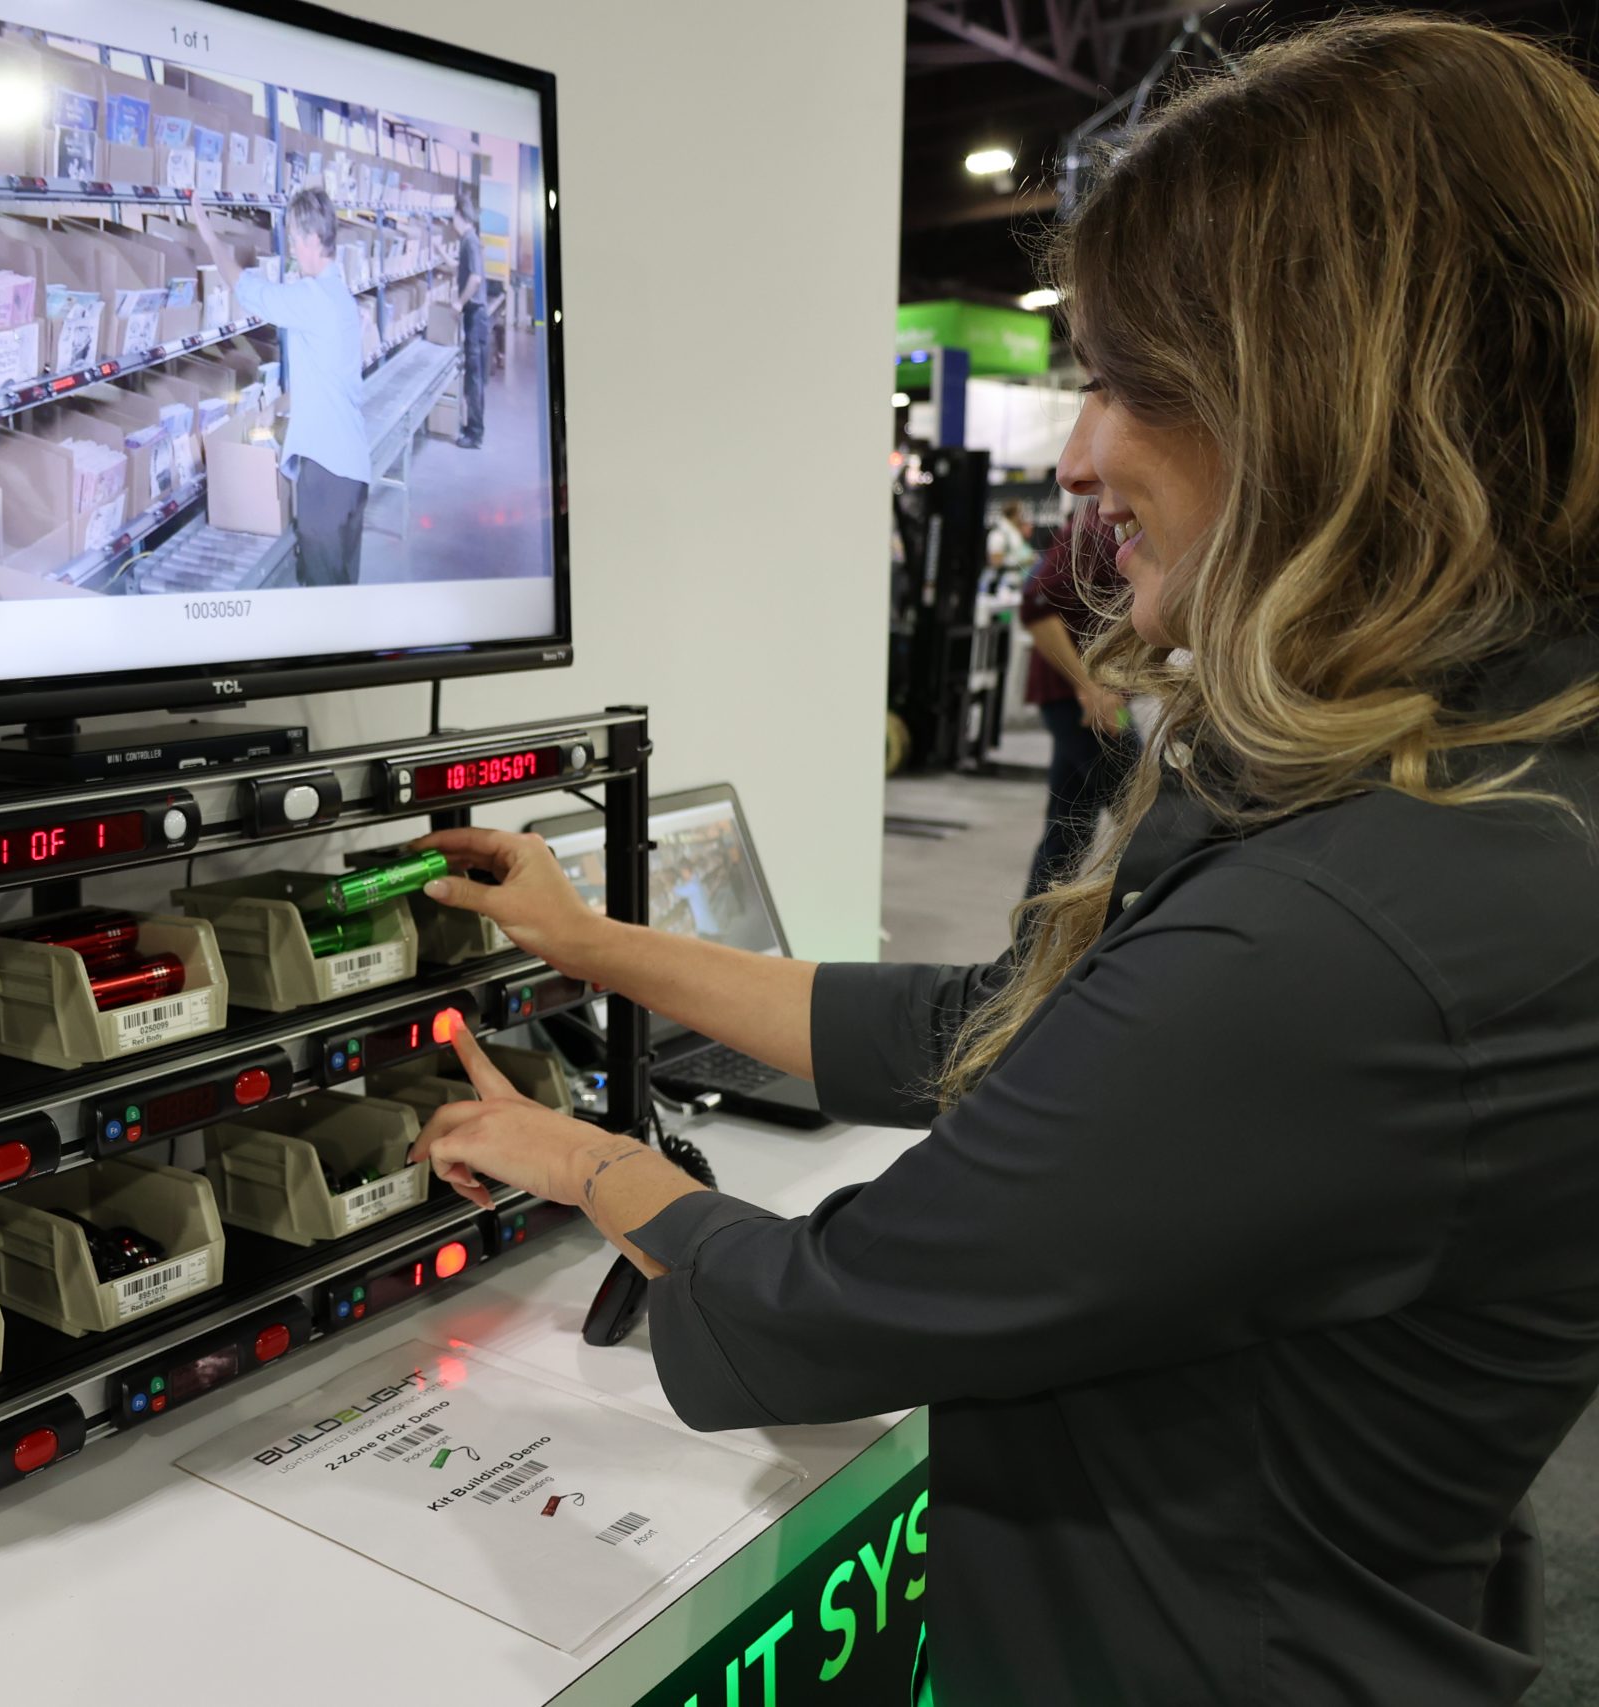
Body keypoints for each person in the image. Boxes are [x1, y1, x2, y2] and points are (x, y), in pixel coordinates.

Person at [401, 18, 1599, 1704]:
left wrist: (575, 1158)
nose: (1079, 453)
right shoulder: (1478, 776)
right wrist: (600, 949)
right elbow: (999, 1023)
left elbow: (826, 1311)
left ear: (1323, 400)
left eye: (1125, 379)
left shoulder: (1353, 928)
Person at [193, 188, 369, 585]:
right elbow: (328, 377)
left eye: (291, 238)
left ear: (310, 240)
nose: (290, 248)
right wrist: (279, 405)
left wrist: (209, 236)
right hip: (353, 472)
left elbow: (247, 289)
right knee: (342, 595)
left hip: (325, 475)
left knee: (322, 603)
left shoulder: (312, 297)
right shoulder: (341, 297)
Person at [1020, 503, 1135, 893]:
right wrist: (1089, 687)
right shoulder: (1095, 528)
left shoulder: (1119, 529)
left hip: (1093, 699)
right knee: (1146, 813)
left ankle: (1028, 949)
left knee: (1067, 834)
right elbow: (1036, 606)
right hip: (1084, 704)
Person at [452, 184, 488, 449]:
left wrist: (458, 303)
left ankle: (475, 433)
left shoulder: (471, 241)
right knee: (472, 375)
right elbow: (465, 269)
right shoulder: (468, 241)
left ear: (459, 216)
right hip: (473, 316)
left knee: (474, 376)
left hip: (475, 316)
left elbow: (475, 278)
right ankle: (473, 427)